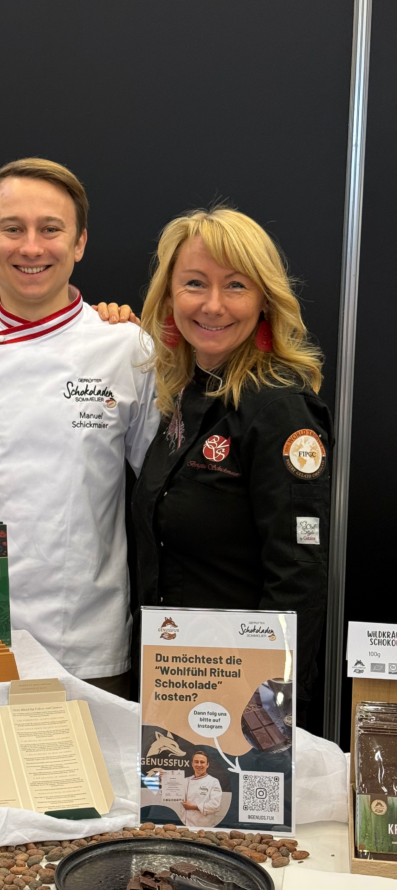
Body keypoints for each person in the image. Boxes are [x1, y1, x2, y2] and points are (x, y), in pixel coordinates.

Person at [0, 159, 160, 696]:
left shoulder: (127, 348)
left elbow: (164, 492)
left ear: (79, 243)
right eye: (12, 229)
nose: (32, 247)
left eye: (51, 229)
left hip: (89, 638)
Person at [97, 206, 330, 718]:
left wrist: (268, 707)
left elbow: (298, 571)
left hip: (240, 695)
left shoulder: (277, 406)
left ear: (266, 298)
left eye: (237, 286)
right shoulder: (184, 394)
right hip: (174, 680)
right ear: (170, 296)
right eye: (195, 283)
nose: (214, 305)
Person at [180, 751, 223, 828]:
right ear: (192, 764)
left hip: (205, 827)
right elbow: (169, 789)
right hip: (185, 826)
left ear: (207, 765)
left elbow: (215, 805)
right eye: (196, 762)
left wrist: (193, 807)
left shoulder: (213, 782)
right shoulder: (185, 781)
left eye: (202, 762)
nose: (199, 765)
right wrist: (162, 778)